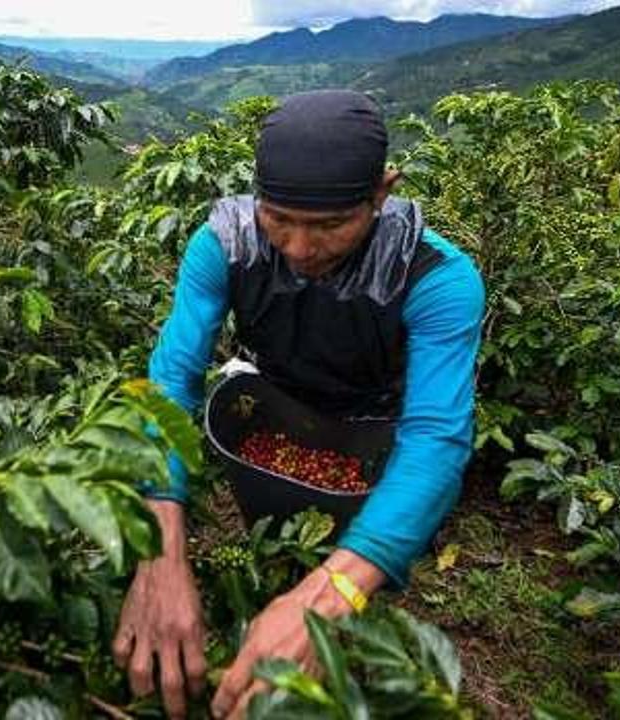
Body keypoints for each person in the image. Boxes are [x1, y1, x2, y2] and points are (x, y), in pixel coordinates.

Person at [110, 90, 486, 720]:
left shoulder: (437, 277)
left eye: (331, 225)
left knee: (362, 538)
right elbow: (174, 376)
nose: (300, 248)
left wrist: (331, 593)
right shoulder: (223, 244)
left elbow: (435, 438)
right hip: (278, 395)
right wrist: (161, 545)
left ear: (382, 192)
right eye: (277, 219)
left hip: (375, 417)